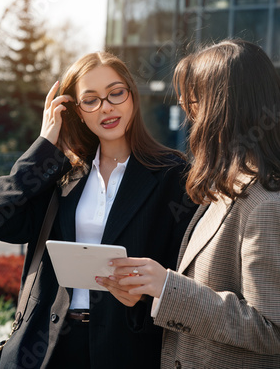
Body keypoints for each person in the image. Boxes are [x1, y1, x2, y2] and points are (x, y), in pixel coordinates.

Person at [0, 51, 196, 369]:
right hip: (48, 345)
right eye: (91, 100)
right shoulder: (61, 173)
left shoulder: (172, 174)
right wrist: (44, 143)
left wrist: (143, 298)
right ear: (79, 112)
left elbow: (186, 271)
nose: (106, 107)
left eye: (116, 93)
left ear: (132, 98)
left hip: (126, 344)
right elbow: (0, 219)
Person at [98, 39, 280, 369]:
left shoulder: (264, 205)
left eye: (194, 104)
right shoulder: (226, 188)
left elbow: (271, 331)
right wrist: (151, 292)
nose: (189, 116)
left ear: (223, 110)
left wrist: (169, 287)